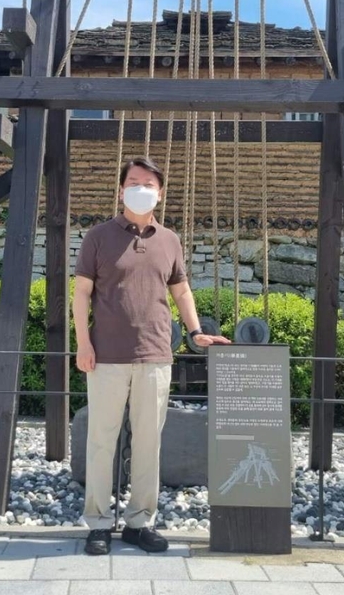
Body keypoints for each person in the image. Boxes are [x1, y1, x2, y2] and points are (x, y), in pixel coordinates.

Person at [73, 156, 231, 556]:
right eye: (133, 181)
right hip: (105, 357)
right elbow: (81, 294)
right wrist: (83, 344)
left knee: (148, 444)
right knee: (101, 441)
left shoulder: (170, 240)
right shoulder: (98, 237)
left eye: (148, 183)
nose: (140, 188)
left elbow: (181, 291)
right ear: (121, 188)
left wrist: (196, 331)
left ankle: (140, 522)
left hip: (156, 355)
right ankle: (98, 523)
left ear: (160, 194)